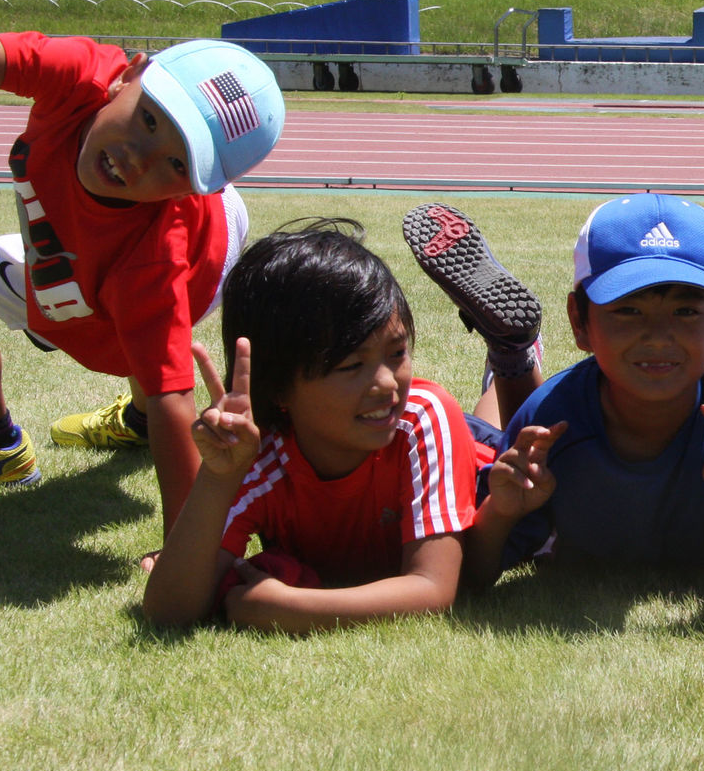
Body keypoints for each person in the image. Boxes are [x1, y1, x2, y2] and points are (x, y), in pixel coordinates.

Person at [0, 24, 282, 548]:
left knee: (141, 352)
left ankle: (132, 421)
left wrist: (183, 550)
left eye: (177, 163)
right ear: (129, 74)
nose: (140, 156)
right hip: (74, 254)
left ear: (200, 183)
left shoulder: (153, 263)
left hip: (201, 258)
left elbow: (172, 397)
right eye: (150, 118)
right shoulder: (80, 75)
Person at [142, 223, 492, 632]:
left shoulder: (421, 418)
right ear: (278, 390)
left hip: (478, 460)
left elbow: (433, 588)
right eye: (351, 366)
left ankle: (511, 362)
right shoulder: (258, 454)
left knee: (499, 430)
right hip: (408, 434)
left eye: (396, 352)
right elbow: (167, 612)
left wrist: (289, 606)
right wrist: (218, 479)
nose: (385, 383)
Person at [457, 193, 704, 604]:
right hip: (537, 415)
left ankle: (511, 359)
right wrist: (500, 512)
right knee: (483, 442)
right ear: (579, 323)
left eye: (686, 311)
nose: (657, 336)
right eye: (628, 311)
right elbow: (471, 578)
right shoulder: (549, 417)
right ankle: (510, 360)